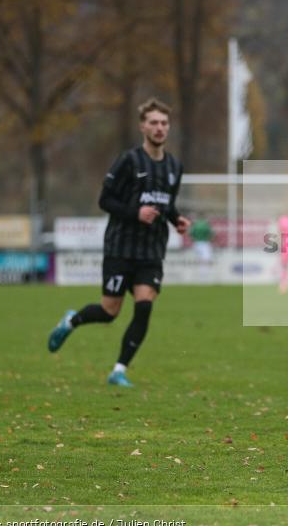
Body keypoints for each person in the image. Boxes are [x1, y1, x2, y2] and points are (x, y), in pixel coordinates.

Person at [47, 98, 191, 386]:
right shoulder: (129, 161)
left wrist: (176, 219)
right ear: (142, 126)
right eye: (153, 122)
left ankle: (119, 370)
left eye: (164, 123)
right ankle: (71, 321)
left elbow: (166, 204)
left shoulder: (174, 166)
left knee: (144, 306)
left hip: (151, 251)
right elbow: (105, 200)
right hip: (120, 247)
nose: (159, 128)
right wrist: (135, 212)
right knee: (109, 311)